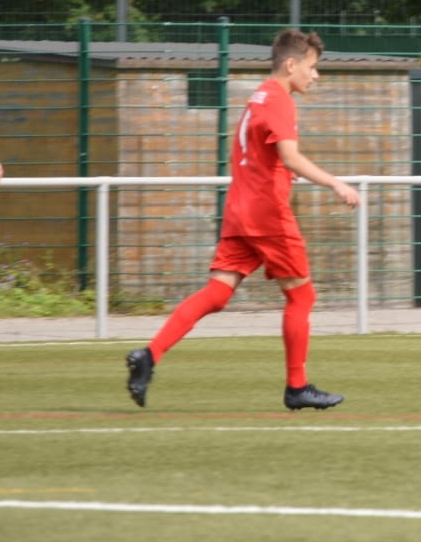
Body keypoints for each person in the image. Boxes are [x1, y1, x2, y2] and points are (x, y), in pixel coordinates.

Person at [125, 28, 360, 410]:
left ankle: (149, 355)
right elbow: (290, 157)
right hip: (268, 212)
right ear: (291, 64)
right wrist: (335, 183)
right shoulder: (281, 101)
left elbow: (261, 156)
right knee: (302, 295)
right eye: (313, 67)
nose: (315, 75)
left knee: (217, 292)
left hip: (240, 209)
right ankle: (297, 387)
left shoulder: (258, 97)